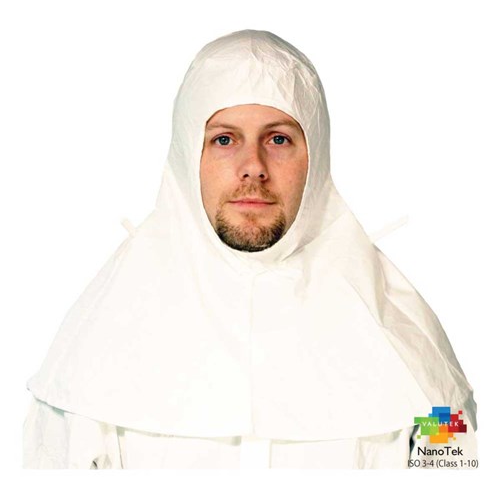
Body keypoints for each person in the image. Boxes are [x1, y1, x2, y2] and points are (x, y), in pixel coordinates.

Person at [23, 29, 478, 469]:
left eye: (278, 139)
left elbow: (455, 466)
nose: (253, 167)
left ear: (316, 156)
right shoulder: (92, 349)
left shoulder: (412, 345)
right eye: (224, 139)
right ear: (187, 155)